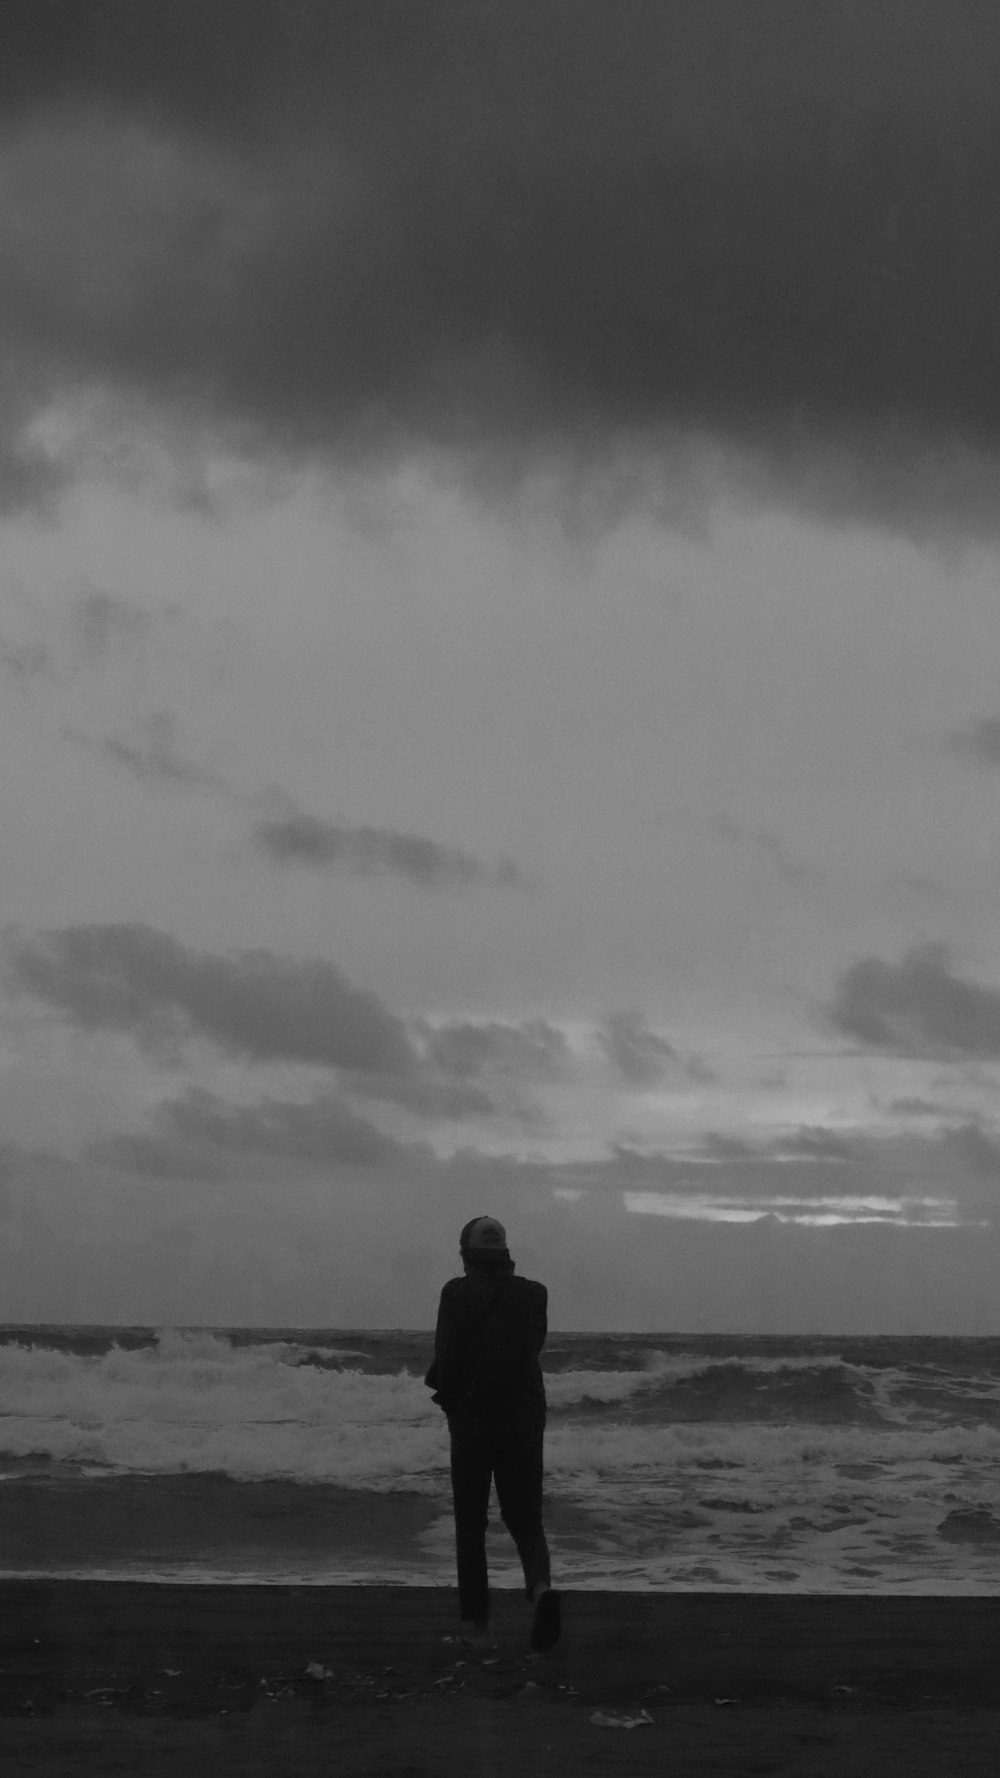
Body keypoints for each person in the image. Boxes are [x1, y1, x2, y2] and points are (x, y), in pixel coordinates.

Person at [426, 1216, 560, 1652]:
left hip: (474, 1418)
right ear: (504, 1252)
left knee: (471, 1523)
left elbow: (446, 1354)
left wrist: (450, 1401)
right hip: (524, 1415)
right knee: (526, 1518)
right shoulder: (534, 1294)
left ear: (466, 1255)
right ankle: (541, 1589)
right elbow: (530, 1348)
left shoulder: (456, 1292)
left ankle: (478, 1628)